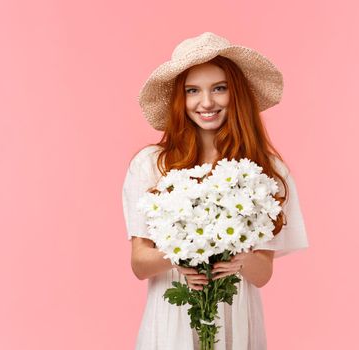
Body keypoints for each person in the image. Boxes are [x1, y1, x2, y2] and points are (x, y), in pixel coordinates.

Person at [122, 32, 309, 350]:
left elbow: (262, 274)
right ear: (181, 100)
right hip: (172, 317)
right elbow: (139, 263)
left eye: (219, 88)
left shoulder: (264, 170)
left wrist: (238, 260)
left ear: (236, 95)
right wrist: (180, 257)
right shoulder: (152, 164)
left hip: (235, 316)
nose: (206, 102)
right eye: (192, 91)